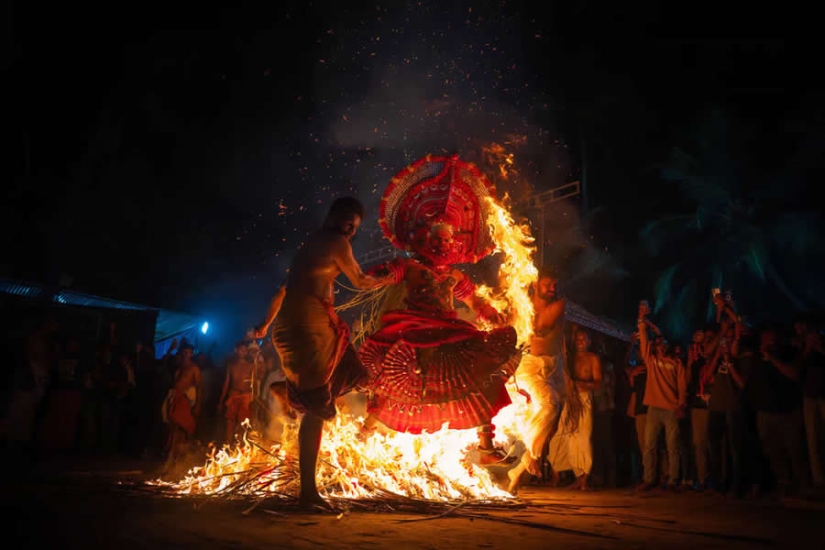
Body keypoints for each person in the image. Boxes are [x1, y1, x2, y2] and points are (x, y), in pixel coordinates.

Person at [357, 155, 521, 465]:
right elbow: (380, 276)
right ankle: (362, 437)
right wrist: (363, 278)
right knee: (390, 382)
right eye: (437, 238)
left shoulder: (454, 276)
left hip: (449, 330)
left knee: (481, 373)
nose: (443, 244)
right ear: (423, 238)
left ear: (455, 243)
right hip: (413, 328)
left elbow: (475, 302)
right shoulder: (410, 267)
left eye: (448, 239)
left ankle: (486, 446)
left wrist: (493, 315)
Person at [252, 196, 392, 510]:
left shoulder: (310, 244)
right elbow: (359, 279)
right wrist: (391, 276)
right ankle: (308, 494)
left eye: (352, 226)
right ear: (331, 216)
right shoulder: (336, 241)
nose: (348, 228)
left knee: (345, 377)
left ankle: (289, 393)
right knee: (316, 410)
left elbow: (282, 291)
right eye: (345, 220)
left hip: (297, 327)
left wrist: (264, 326)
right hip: (308, 326)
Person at [507, 267, 567, 493]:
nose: (553, 288)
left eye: (555, 285)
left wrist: (522, 308)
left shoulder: (559, 305)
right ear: (535, 284)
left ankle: (520, 470)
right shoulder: (521, 303)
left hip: (555, 365)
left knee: (548, 420)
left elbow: (541, 327)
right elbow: (515, 329)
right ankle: (530, 456)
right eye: (548, 284)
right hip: (530, 365)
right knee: (549, 406)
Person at [547, 330, 602, 490]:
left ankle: (584, 478)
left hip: (584, 400)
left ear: (589, 342)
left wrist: (582, 385)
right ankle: (556, 475)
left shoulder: (593, 359)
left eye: (583, 339)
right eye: (578, 339)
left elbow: (598, 383)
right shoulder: (568, 358)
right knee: (561, 437)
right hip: (569, 401)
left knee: (582, 438)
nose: (580, 342)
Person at [164, 342, 201, 468]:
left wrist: (197, 405)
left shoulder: (194, 368)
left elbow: (199, 387)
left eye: (189, 353)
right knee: (174, 426)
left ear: (192, 354)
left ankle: (186, 456)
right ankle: (173, 454)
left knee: (184, 426)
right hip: (175, 397)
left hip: (184, 400)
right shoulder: (179, 367)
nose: (187, 355)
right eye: (185, 352)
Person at [218, 342, 255, 443]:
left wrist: (253, 398)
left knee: (242, 421)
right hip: (233, 394)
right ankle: (228, 443)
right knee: (230, 420)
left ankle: (239, 444)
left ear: (247, 352)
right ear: (236, 351)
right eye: (241, 350)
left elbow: (254, 384)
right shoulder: (231, 366)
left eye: (245, 350)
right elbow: (226, 383)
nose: (243, 352)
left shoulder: (251, 366)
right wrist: (221, 401)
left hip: (245, 396)